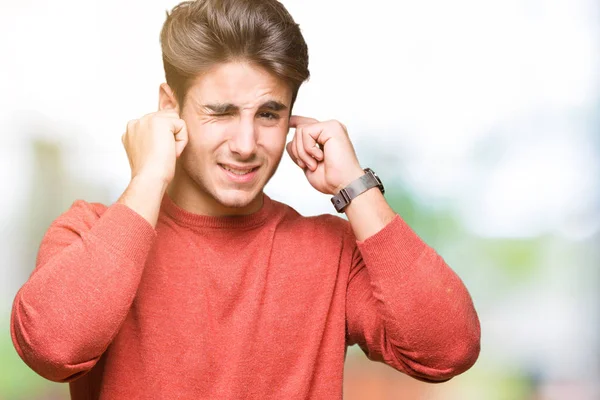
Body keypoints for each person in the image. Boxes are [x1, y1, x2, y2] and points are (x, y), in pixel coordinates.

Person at [10, 0, 481, 398]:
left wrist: (355, 185)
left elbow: (449, 347)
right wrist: (150, 177)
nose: (246, 142)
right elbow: (51, 348)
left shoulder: (331, 251)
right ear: (169, 108)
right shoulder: (88, 233)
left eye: (270, 114)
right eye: (221, 112)